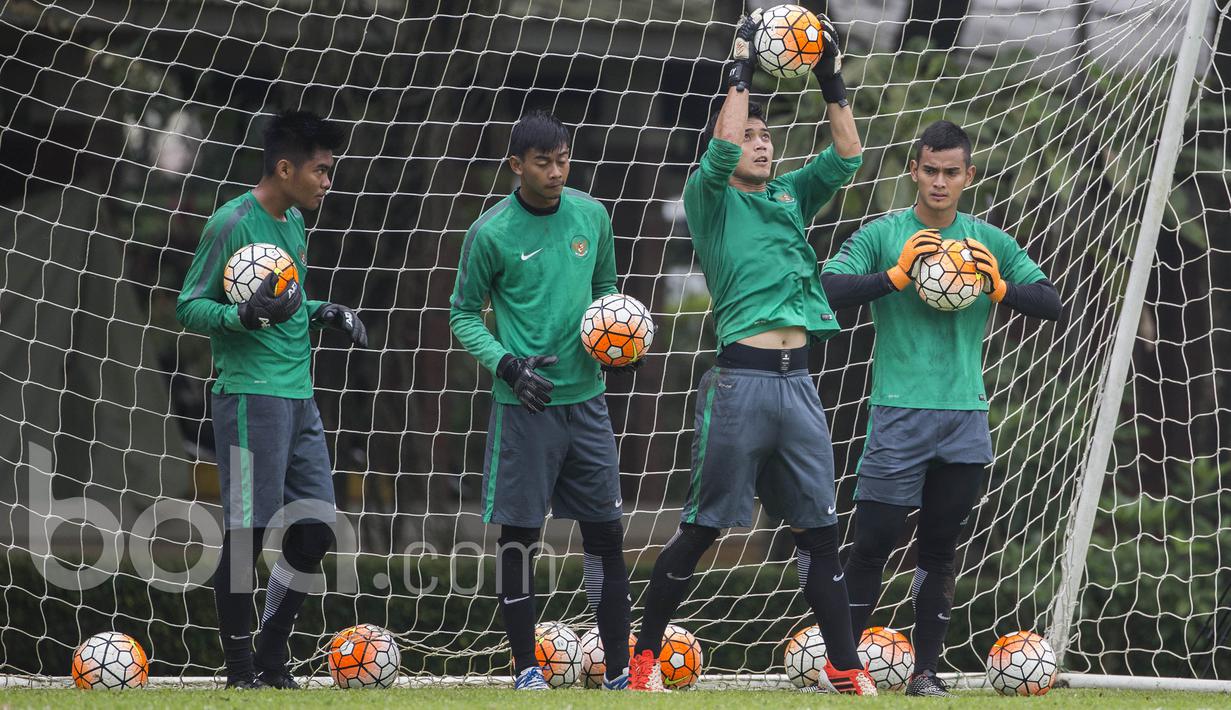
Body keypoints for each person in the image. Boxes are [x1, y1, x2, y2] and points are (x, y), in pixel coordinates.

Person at [628, 11, 875, 695]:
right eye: (750, 135)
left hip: (799, 388)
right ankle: (642, 657)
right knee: (704, 528)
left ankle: (844, 665)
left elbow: (848, 155)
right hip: (739, 385)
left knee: (819, 534)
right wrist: (739, 68)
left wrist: (830, 79)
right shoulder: (708, 199)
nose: (761, 145)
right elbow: (718, 148)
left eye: (768, 136)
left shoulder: (790, 196)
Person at [821, 119, 1061, 697]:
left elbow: (1051, 301)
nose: (938, 181)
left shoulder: (988, 241)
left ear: (968, 176)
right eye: (929, 170)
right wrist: (897, 276)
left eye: (951, 172)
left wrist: (998, 287)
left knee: (939, 550)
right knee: (873, 543)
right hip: (898, 413)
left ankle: (925, 672)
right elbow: (826, 287)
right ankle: (845, 669)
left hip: (965, 417)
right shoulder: (883, 234)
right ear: (914, 170)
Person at [176, 110, 367, 689]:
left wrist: (323, 311)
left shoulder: (294, 227)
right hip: (246, 399)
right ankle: (242, 673)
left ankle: (269, 649)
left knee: (316, 531)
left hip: (299, 398)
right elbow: (189, 307)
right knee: (247, 535)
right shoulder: (231, 222)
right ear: (285, 168)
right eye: (321, 171)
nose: (327, 182)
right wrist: (243, 313)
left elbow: (286, 309)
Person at [448, 110, 634, 691]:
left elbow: (606, 290)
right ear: (515, 166)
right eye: (543, 162)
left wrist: (617, 334)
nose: (556, 172)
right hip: (523, 406)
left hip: (588, 403)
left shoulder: (592, 216)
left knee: (605, 535)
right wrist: (506, 363)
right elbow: (461, 313)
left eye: (563, 160)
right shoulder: (491, 233)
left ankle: (619, 673)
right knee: (520, 539)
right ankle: (526, 668)